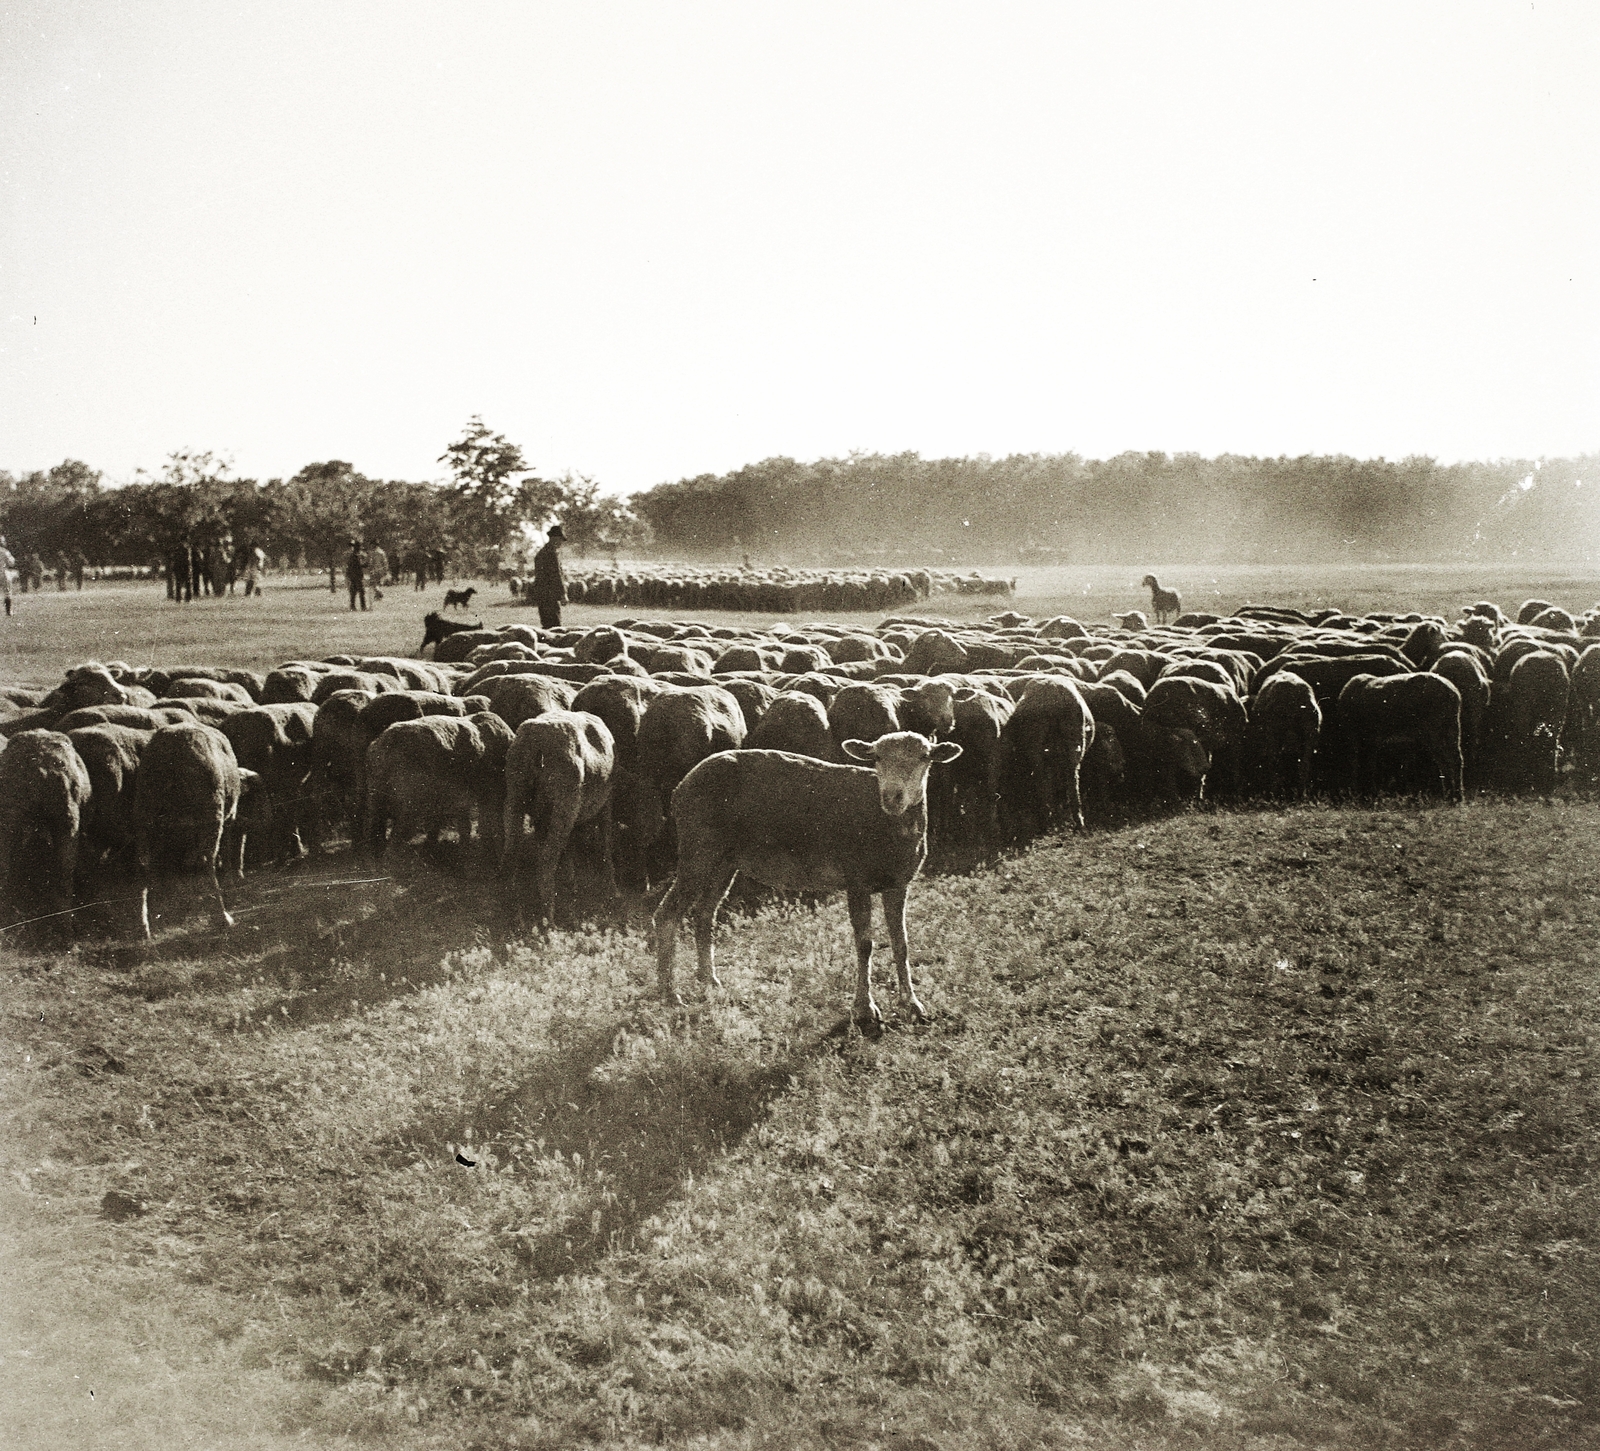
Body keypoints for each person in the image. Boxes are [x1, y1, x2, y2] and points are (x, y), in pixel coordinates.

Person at [531, 524, 567, 629]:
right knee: (555, 626)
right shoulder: (551, 554)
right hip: (550, 596)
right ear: (555, 538)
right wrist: (563, 594)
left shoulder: (541, 553)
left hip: (542, 595)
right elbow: (556, 575)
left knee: (547, 625)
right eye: (560, 540)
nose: (561, 543)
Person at [346, 539, 367, 612]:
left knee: (353, 592)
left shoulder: (353, 555)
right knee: (361, 592)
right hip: (357, 576)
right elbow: (360, 565)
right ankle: (363, 607)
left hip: (353, 576)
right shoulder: (356, 556)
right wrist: (366, 564)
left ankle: (353, 606)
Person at [0, 536, 13, 616]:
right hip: (3, 572)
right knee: (7, 592)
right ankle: (8, 611)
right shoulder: (5, 552)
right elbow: (11, 563)